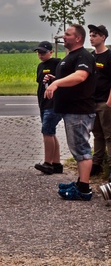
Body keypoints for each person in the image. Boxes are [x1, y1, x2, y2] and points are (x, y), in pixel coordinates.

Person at [44, 24, 96, 201]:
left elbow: (81, 76)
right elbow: (71, 78)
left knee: (81, 149)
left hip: (79, 111)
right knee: (77, 149)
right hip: (71, 111)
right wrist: (55, 79)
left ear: (78, 38)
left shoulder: (83, 55)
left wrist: (56, 84)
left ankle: (84, 189)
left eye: (67, 34)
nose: (63, 36)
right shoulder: (71, 56)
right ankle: (81, 182)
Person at [33, 41, 63, 175]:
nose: (40, 55)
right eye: (39, 53)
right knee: (51, 132)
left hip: (54, 103)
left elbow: (64, 79)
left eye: (43, 53)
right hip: (43, 104)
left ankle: (48, 163)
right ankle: (57, 164)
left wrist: (55, 78)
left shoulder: (58, 63)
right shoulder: (40, 66)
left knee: (46, 131)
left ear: (51, 52)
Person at [87, 24, 111, 180]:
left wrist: (109, 102)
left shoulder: (109, 56)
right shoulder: (90, 56)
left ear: (103, 37)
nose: (91, 37)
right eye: (90, 34)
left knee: (109, 136)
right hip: (91, 102)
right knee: (97, 135)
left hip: (105, 103)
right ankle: (96, 164)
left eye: (95, 35)